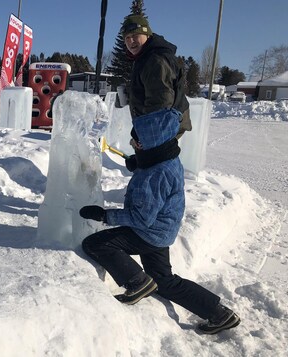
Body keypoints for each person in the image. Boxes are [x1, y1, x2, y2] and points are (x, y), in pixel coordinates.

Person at [80, 107, 241, 335]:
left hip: (148, 232)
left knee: (95, 244)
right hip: (163, 230)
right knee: (164, 281)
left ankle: (137, 282)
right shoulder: (165, 157)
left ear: (148, 143)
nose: (132, 142)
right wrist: (140, 163)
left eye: (137, 141)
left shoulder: (155, 175)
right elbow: (156, 171)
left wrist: (104, 215)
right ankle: (219, 314)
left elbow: (141, 219)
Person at [121, 14, 192, 172]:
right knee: (157, 168)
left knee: (157, 171)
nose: (130, 41)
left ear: (147, 34)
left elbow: (160, 105)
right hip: (161, 124)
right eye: (127, 38)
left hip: (164, 124)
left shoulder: (154, 60)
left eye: (135, 36)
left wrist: (143, 146)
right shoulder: (146, 57)